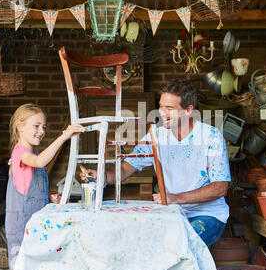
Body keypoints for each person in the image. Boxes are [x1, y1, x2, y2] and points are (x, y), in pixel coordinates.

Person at [81, 79, 230, 247]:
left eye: (170, 108)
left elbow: (220, 187)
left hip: (208, 215)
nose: (162, 112)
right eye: (161, 106)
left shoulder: (211, 136)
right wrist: (101, 176)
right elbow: (124, 169)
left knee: (182, 246)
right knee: (146, 244)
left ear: (188, 110)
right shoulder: (157, 137)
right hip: (173, 212)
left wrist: (175, 198)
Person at [6, 103, 84, 270]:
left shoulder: (32, 154)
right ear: (20, 126)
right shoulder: (20, 152)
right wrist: (64, 137)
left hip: (35, 228)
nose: (41, 131)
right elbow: (40, 161)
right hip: (22, 229)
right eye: (36, 126)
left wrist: (48, 198)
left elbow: (30, 191)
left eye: (44, 127)